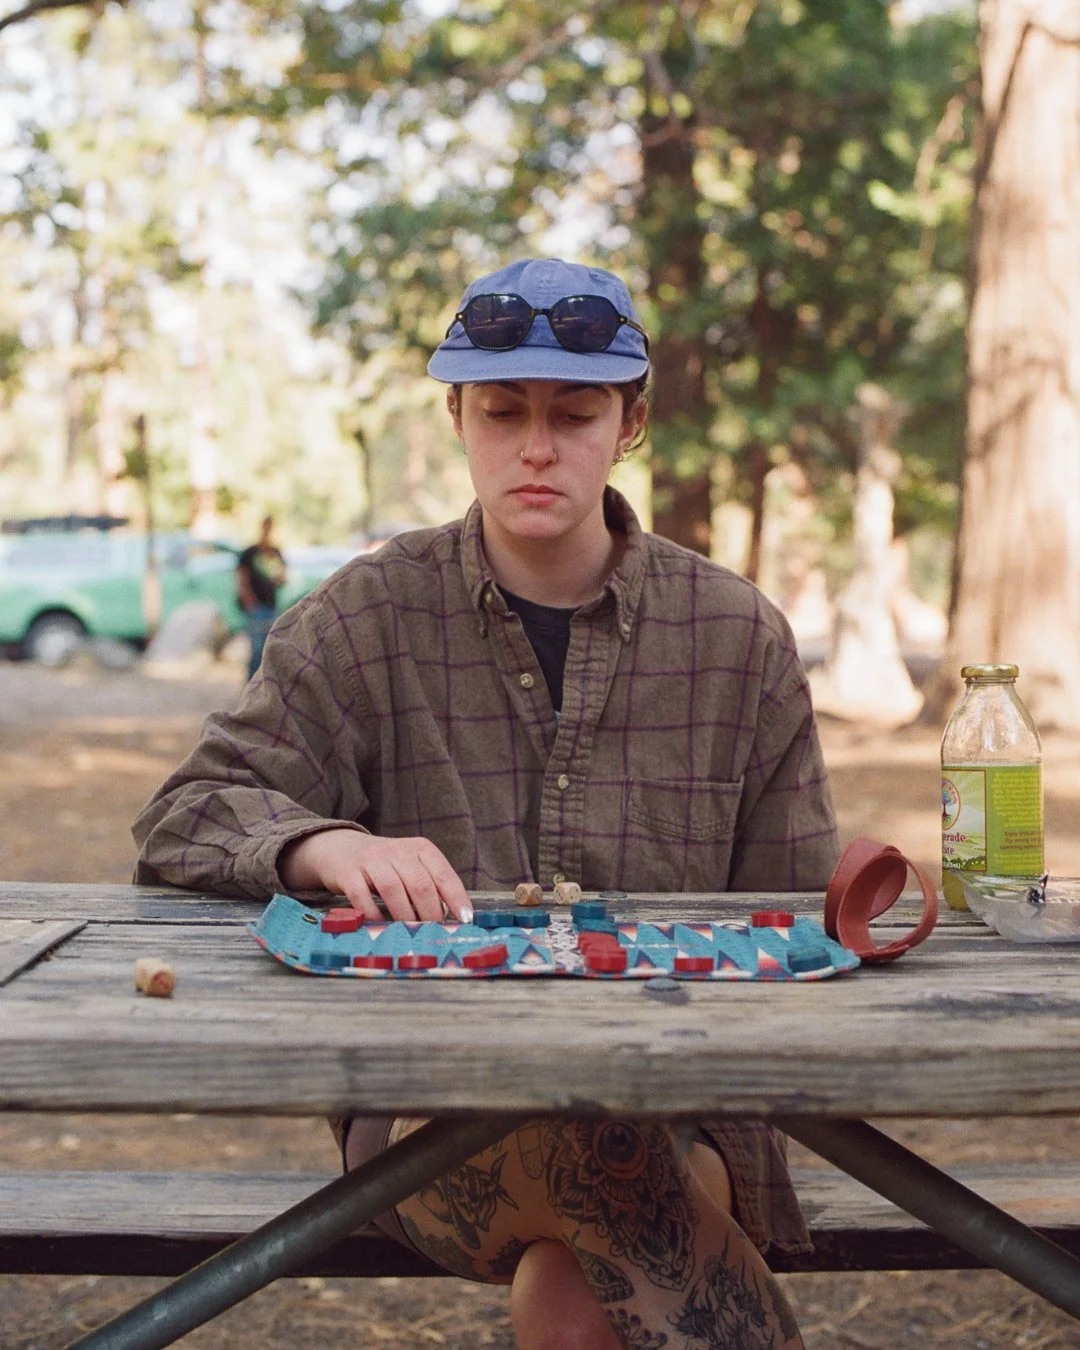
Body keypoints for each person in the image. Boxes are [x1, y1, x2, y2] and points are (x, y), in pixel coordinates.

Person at [133, 257, 839, 1349]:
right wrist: (316, 844)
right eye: (503, 412)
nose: (538, 446)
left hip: (681, 1111)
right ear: (458, 416)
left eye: (576, 411)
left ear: (632, 421)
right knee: (596, 1169)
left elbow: (796, 919)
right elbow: (188, 811)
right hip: (429, 1123)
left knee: (574, 1280)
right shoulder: (365, 616)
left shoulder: (738, 637)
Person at [235, 514, 287, 681]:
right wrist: (249, 600)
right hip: (255, 607)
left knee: (268, 649)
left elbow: (283, 577)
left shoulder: (276, 552)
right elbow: (241, 579)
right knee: (256, 650)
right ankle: (251, 685)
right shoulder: (250, 553)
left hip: (270, 605)